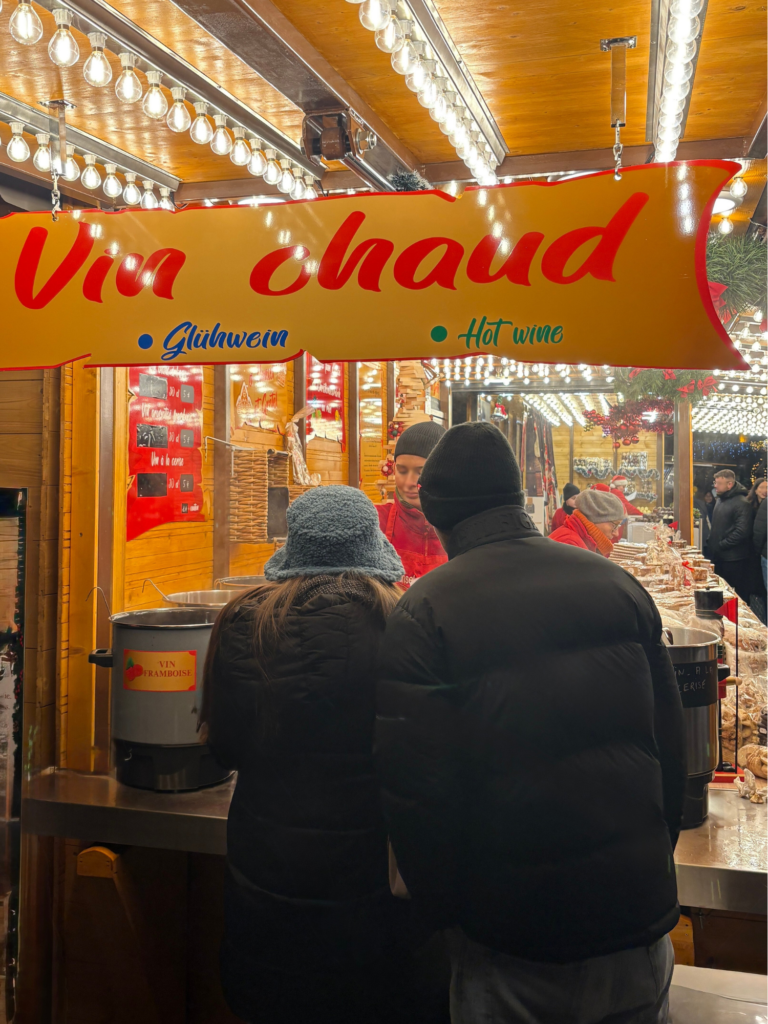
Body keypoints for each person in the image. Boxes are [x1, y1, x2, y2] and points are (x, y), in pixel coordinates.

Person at [376, 422, 686, 1024]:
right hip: (636, 927)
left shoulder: (424, 610)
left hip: (510, 941)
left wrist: (448, 916)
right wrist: (646, 867)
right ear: (516, 498)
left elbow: (417, 793)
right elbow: (672, 755)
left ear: (438, 513)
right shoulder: (618, 585)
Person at [201, 486, 429, 1024]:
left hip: (266, 888)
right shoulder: (405, 625)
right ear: (371, 547)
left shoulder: (241, 621)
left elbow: (223, 751)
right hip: (371, 898)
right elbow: (423, 758)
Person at [376, 420, 448, 588]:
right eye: (402, 471)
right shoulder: (376, 521)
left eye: (421, 472)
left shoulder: (463, 529)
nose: (409, 482)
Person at [708, 469, 754, 603]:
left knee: (734, 597)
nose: (715, 486)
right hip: (720, 556)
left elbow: (742, 531)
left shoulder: (742, 503)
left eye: (718, 483)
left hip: (734, 559)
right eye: (715, 482)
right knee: (721, 595)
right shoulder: (720, 500)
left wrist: (722, 545)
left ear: (729, 485)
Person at [549, 488, 625, 556]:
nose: (616, 533)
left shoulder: (584, 541)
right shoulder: (570, 544)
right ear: (596, 519)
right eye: (614, 525)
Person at [747, 477, 767, 622]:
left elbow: (759, 532)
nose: (765, 490)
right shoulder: (748, 506)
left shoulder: (765, 505)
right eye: (762, 487)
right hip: (755, 554)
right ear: (755, 490)